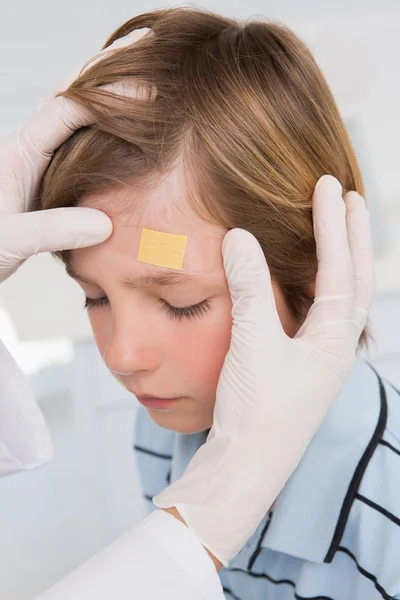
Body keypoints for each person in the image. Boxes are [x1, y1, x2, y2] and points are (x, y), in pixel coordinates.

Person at [0, 9, 393, 600]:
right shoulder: (163, 427)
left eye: (180, 303)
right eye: (95, 296)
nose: (123, 356)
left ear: (314, 271)